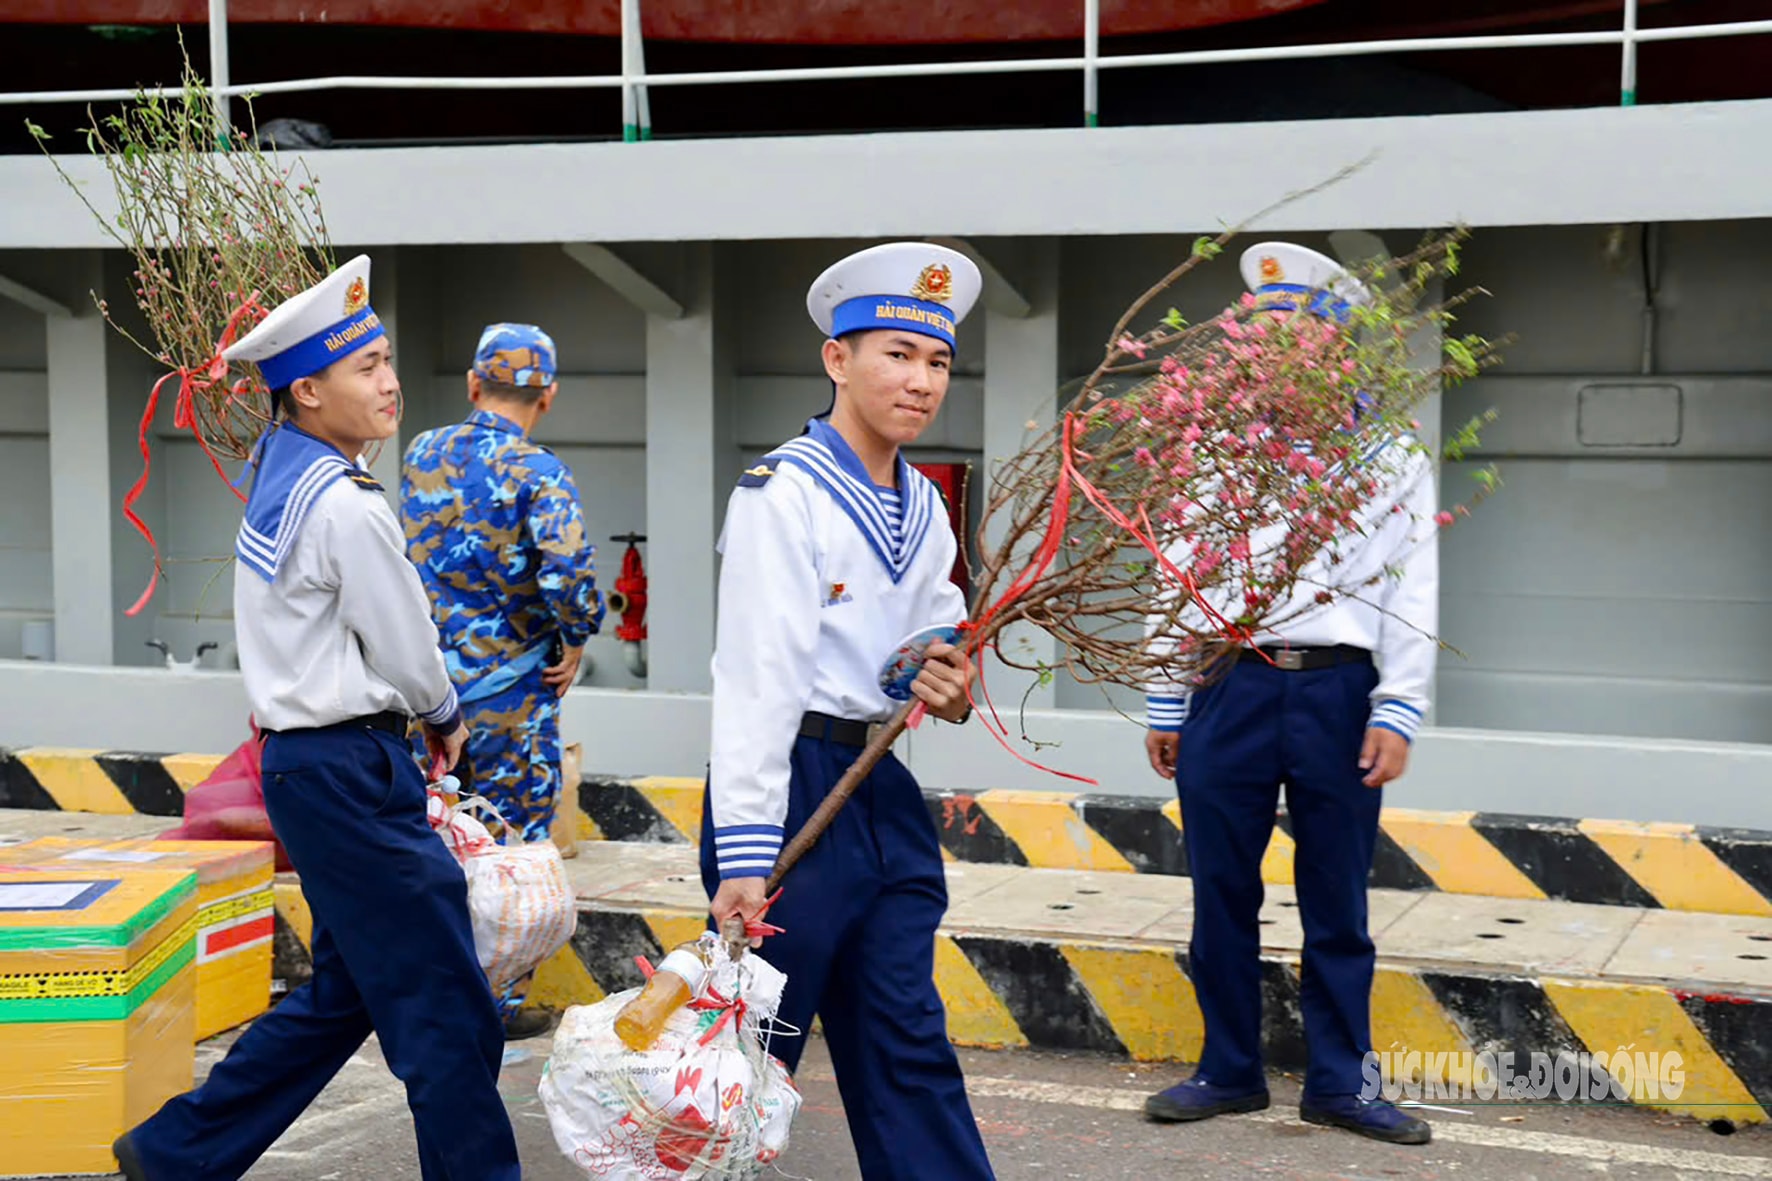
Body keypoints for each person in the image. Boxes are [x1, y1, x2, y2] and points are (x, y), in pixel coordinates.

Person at [112, 256, 522, 1181]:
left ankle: (175, 1152)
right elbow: (408, 643)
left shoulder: (282, 472)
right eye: (366, 366)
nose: (389, 380)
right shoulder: (346, 505)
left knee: (348, 993)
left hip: (311, 770)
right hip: (350, 769)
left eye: (386, 359)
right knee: (447, 1009)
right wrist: (445, 712)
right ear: (306, 390)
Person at [700, 242, 996, 1180]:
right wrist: (747, 852)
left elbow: (932, 661)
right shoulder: (781, 495)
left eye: (938, 360)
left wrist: (947, 685)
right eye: (897, 355)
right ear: (837, 358)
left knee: (908, 1044)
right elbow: (755, 681)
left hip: (877, 789)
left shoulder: (925, 506)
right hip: (790, 789)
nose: (920, 380)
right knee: (749, 1068)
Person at [1140, 242, 1440, 1146]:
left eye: (1298, 337)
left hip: (1336, 693)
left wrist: (1398, 708)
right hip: (1226, 685)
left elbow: (1412, 587)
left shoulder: (1387, 455)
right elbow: (1175, 572)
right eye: (1262, 338)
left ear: (1338, 348)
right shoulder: (1212, 452)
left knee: (1337, 898)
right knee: (1218, 892)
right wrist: (1166, 697)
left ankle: (1340, 1082)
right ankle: (1228, 1069)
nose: (1275, 356)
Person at [400, 322, 605, 1039]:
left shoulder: (420, 452)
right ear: (547, 396)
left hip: (425, 697)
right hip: (512, 700)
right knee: (510, 851)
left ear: (472, 384)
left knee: (439, 842)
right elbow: (569, 575)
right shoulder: (538, 471)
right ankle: (491, 1006)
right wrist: (575, 639)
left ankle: (430, 995)